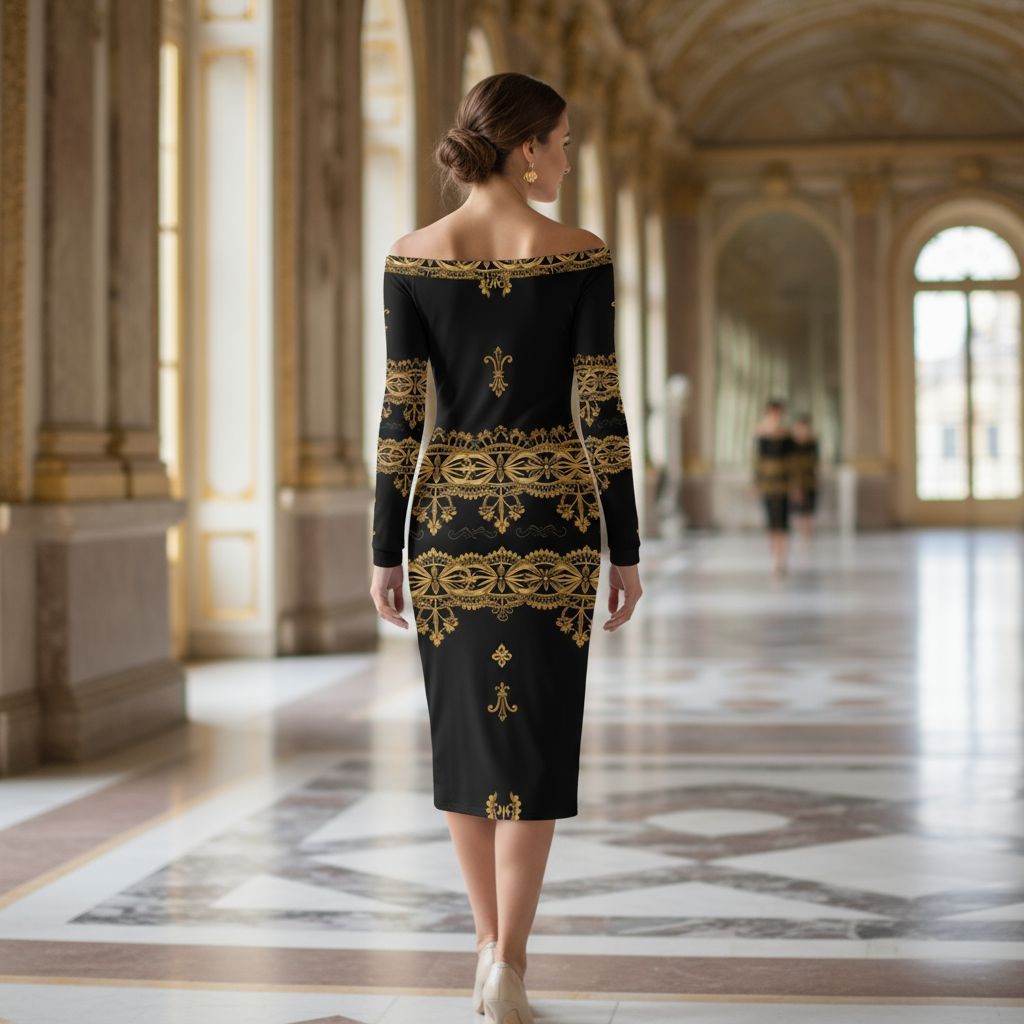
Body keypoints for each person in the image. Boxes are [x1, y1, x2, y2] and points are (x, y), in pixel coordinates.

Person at [367, 72, 643, 1024]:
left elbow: (402, 416)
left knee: (464, 735)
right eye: (562, 141)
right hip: (554, 522)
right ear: (527, 147)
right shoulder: (579, 255)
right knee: (533, 733)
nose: (566, 158)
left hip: (445, 524)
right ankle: (510, 962)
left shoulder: (411, 257)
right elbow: (601, 413)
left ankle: (485, 946)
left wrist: (384, 548)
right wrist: (626, 548)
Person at [752, 397, 795, 575]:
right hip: (768, 484)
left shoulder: (787, 435)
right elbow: (757, 462)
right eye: (773, 411)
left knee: (783, 521)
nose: (776, 415)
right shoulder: (760, 434)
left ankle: (780, 557)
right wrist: (756, 483)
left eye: (778, 412)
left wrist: (796, 485)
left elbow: (793, 462)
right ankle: (774, 556)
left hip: (784, 483)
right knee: (771, 520)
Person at [789, 413, 820, 539]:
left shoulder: (812, 442)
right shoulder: (791, 443)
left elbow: (815, 461)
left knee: (809, 507)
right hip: (795, 480)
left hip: (810, 480)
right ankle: (799, 533)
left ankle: (808, 533)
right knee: (797, 508)